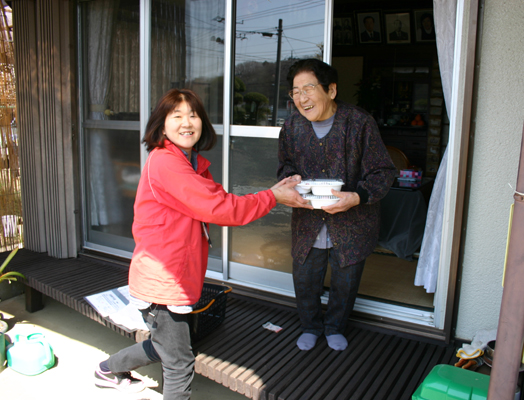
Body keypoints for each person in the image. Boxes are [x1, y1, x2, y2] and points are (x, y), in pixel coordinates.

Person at [94, 88, 305, 399]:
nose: (187, 122)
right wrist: (273, 196)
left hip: (173, 277)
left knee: (168, 344)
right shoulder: (167, 163)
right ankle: (108, 369)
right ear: (161, 125)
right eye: (176, 115)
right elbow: (221, 209)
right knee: (179, 362)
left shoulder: (189, 163)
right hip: (162, 282)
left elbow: (221, 201)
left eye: (192, 115)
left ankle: (107, 369)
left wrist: (272, 192)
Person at [277, 59, 396, 352]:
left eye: (309, 88)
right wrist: (291, 182)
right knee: (305, 276)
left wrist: (356, 197)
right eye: (295, 91)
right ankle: (310, 326)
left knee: (346, 278)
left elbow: (383, 172)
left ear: (331, 90)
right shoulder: (292, 126)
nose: (302, 98)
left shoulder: (359, 123)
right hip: (307, 218)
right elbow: (284, 166)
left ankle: (334, 327)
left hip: (352, 220)